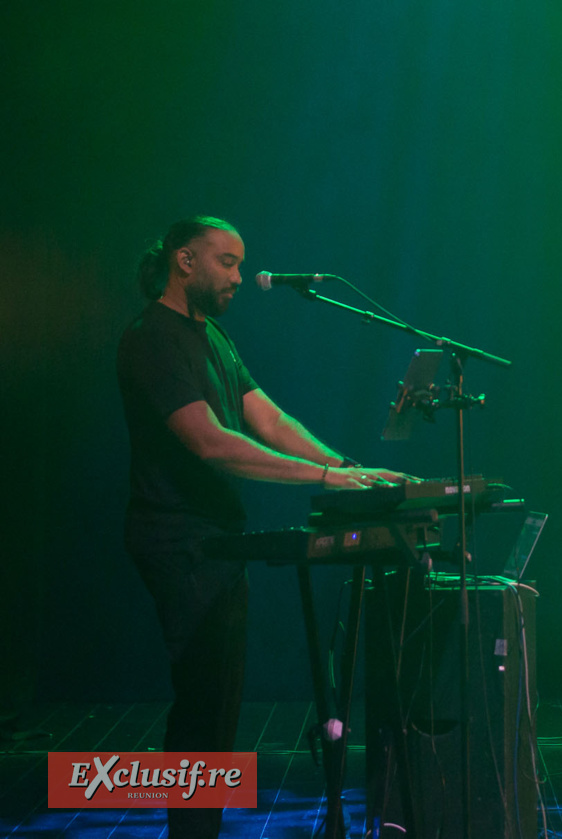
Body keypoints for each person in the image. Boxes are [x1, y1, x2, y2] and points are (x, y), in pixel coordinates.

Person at [116, 216, 413, 838]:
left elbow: (268, 418)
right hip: (178, 538)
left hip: (218, 539)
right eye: (227, 262)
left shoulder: (214, 338)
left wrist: (350, 469)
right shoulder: (152, 338)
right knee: (202, 702)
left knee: (217, 701)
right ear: (184, 261)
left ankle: (199, 830)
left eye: (240, 263)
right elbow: (211, 443)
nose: (240, 277)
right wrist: (325, 481)